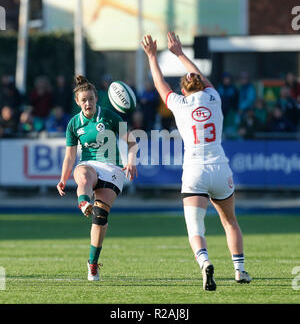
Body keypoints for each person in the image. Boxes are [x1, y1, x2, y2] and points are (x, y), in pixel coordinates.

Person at [141, 32, 251, 291]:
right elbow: (199, 76)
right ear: (201, 85)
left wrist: (152, 56)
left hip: (194, 170)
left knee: (195, 227)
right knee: (230, 221)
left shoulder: (179, 104)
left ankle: (205, 262)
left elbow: (159, 84)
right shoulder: (214, 98)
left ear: (183, 89)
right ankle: (240, 270)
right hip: (220, 167)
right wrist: (179, 53)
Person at [57, 75, 138, 281]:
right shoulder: (74, 124)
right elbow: (70, 156)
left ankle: (92, 263)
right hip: (89, 164)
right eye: (84, 100)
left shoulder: (110, 117)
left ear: (96, 99)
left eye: (91, 99)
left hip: (112, 168)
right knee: (83, 173)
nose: (88, 103)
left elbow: (132, 143)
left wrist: (131, 161)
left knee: (101, 216)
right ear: (77, 102)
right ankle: (83, 202)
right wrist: (63, 178)